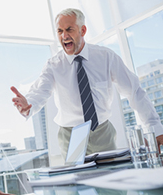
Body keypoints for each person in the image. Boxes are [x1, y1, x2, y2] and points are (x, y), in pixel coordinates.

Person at [11, 8, 163, 159]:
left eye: (69, 29)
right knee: (79, 181)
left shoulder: (106, 57)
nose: (64, 36)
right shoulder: (53, 65)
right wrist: (27, 104)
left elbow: (134, 91)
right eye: (59, 31)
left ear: (82, 30)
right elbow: (40, 91)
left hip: (102, 132)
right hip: (71, 136)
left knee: (110, 178)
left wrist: (155, 128)